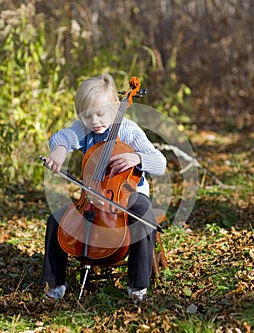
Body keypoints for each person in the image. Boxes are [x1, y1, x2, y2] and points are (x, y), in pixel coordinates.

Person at [40, 74, 166, 302]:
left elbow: (160, 163)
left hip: (128, 196)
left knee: (143, 215)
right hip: (91, 197)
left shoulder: (129, 130)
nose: (95, 121)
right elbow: (64, 137)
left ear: (116, 107)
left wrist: (137, 158)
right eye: (87, 116)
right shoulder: (85, 129)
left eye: (101, 114)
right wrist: (59, 148)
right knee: (56, 220)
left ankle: (138, 287)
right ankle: (54, 285)